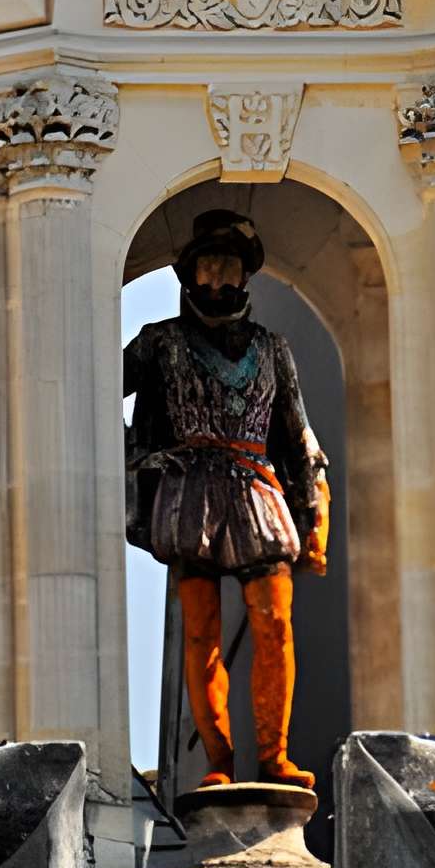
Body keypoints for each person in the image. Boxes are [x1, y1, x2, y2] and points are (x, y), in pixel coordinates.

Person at [125, 210, 329, 789]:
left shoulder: (272, 348)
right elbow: (86, 381)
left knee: (275, 623)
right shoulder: (159, 342)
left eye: (228, 267)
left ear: (244, 278)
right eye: (208, 267)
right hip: (190, 492)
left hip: (257, 490)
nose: (218, 279)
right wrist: (138, 460)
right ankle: (218, 760)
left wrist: (312, 506)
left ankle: (273, 755)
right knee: (201, 631)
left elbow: (297, 432)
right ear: (190, 277)